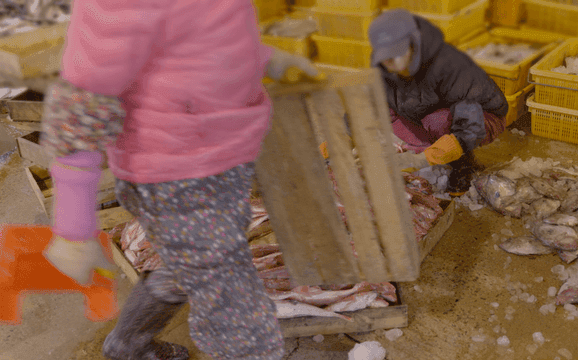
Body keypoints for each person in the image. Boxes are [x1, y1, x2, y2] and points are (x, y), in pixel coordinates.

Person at [40, 0, 322, 359]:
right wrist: (73, 226)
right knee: (231, 299)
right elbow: (81, 101)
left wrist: (264, 60)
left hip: (218, 161)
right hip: (176, 176)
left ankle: (129, 343)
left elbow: (207, 37)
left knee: (196, 262)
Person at [368, 9, 508, 195]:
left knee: (438, 122)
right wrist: (340, 138)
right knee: (385, 108)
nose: (389, 61)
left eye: (396, 52)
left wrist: (425, 159)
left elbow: (469, 125)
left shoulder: (448, 64)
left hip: (481, 118)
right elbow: (367, 102)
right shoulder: (383, 68)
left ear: (413, 42)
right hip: (429, 113)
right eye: (385, 55)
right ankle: (434, 149)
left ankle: (462, 165)